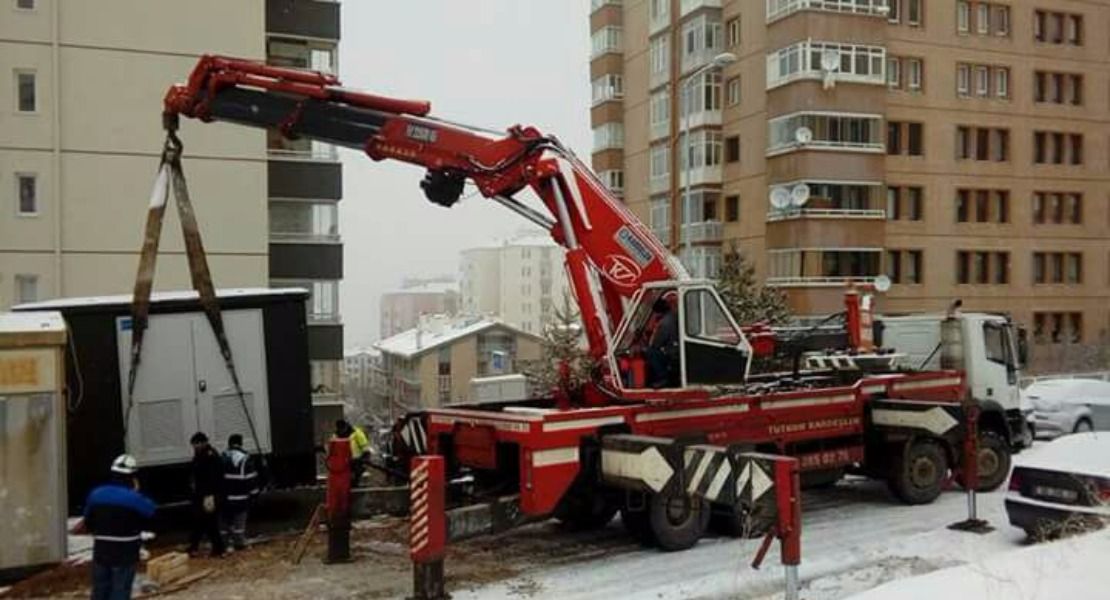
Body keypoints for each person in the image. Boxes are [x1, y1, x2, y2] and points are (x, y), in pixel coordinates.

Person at [82, 454, 155, 600]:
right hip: (126, 551)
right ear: (133, 477)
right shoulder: (134, 498)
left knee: (100, 589)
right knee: (120, 589)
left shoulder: (96, 494)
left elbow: (88, 522)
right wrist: (137, 491)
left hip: (102, 550)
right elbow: (151, 512)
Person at [186, 432, 226, 558]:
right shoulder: (201, 455)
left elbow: (213, 478)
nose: (194, 447)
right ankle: (195, 546)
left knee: (208, 523)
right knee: (202, 522)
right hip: (201, 494)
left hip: (208, 495)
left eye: (196, 444)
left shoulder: (210, 457)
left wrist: (210, 496)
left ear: (202, 443)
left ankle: (217, 548)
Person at [220, 434, 259, 551]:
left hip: (225, 497)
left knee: (225, 522)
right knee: (239, 522)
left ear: (229, 443)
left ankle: (226, 543)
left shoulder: (222, 457)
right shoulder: (245, 459)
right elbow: (251, 478)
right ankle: (239, 542)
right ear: (241, 443)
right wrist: (254, 493)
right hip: (241, 497)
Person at [646, 296, 680, 388]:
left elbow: (657, 344)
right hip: (675, 349)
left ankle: (663, 378)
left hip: (673, 353)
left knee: (650, 352)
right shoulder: (672, 316)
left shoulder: (665, 323)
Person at [334, 419, 371, 487]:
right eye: (340, 430)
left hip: (357, 461)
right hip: (343, 462)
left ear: (346, 427)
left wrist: (365, 458)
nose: (341, 431)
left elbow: (365, 447)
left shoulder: (357, 433)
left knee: (353, 479)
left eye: (342, 429)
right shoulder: (336, 435)